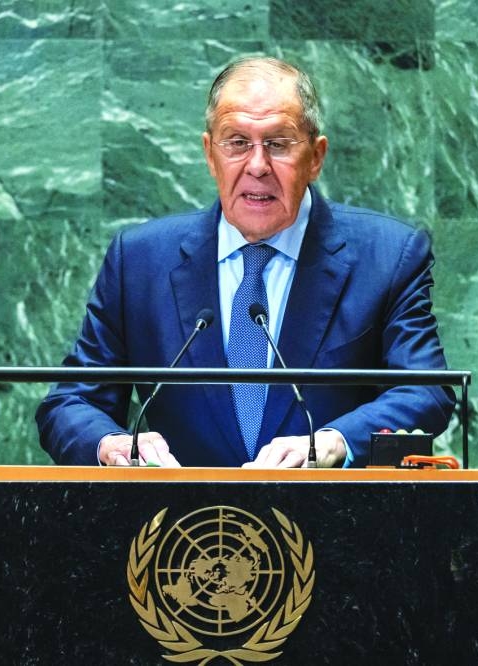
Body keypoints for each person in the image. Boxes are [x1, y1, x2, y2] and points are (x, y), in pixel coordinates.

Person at [36, 56, 454, 468]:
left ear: (316, 156)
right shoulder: (140, 261)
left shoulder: (389, 255)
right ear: (209, 153)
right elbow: (70, 402)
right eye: (236, 143)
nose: (257, 165)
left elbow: (425, 391)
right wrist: (110, 444)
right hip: (179, 529)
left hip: (334, 524)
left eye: (278, 144)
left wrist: (336, 441)